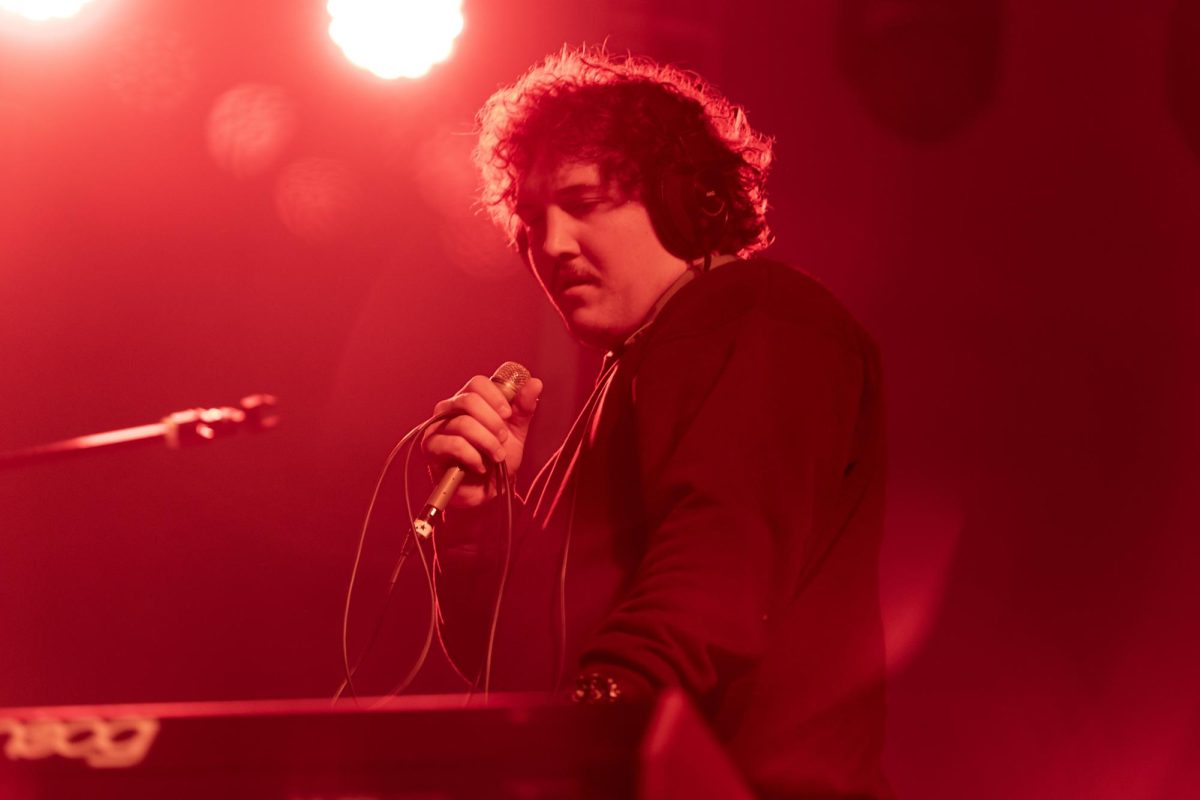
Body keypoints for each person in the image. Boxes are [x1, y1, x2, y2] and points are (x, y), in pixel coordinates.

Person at [421, 46, 891, 799]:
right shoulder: (625, 384)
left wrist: (585, 725)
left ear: (684, 198)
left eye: (582, 201)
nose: (552, 245)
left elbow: (718, 559)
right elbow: (520, 674)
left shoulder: (754, 312)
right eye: (532, 222)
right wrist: (482, 527)